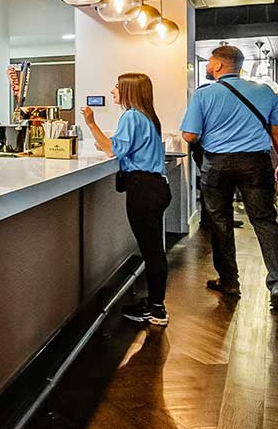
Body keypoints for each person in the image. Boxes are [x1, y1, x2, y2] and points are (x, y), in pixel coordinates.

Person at [181, 44, 278, 307]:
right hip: (256, 162)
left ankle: (229, 281)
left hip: (218, 164)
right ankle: (277, 284)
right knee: (265, 221)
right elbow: (276, 133)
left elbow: (190, 135)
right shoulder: (265, 92)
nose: (208, 66)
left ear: (219, 65)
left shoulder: (204, 95)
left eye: (210, 62)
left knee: (220, 222)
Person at [82, 73, 171, 328]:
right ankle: (155, 303)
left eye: (116, 87)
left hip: (143, 190)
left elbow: (113, 150)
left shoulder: (131, 116)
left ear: (129, 90)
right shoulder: (147, 116)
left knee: (151, 251)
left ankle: (157, 309)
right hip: (157, 187)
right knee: (154, 249)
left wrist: (91, 123)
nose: (113, 91)